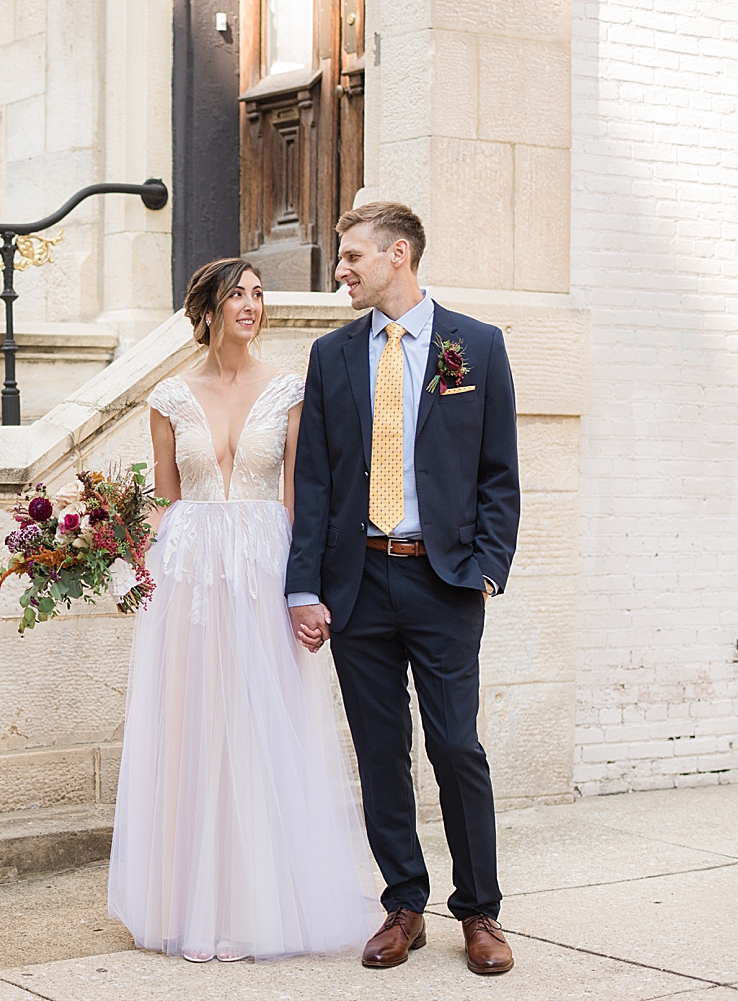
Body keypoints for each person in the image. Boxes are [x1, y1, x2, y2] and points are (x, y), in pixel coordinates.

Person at [108, 257, 379, 963]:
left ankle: (259, 905)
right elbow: (165, 499)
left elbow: (299, 498)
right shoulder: (169, 397)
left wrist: (305, 588)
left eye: (258, 295)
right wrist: (128, 557)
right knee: (194, 728)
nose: (252, 305)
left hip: (263, 569)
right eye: (238, 295)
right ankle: (192, 903)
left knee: (262, 727)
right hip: (190, 576)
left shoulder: (291, 388)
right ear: (207, 310)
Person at [286, 201, 520, 975]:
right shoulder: (332, 355)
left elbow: (498, 473)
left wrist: (486, 565)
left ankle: (479, 911)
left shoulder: (474, 347)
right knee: (382, 750)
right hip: (357, 581)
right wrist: (303, 588)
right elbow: (314, 483)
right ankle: (403, 904)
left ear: (398, 255)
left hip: (444, 579)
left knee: (457, 745)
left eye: (352, 255)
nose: (341, 269)